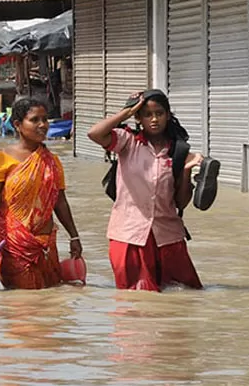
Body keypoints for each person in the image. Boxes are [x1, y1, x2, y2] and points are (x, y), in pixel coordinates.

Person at [87, 90, 204, 292]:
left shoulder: (178, 151)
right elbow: (94, 133)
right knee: (133, 300)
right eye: (147, 115)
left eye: (159, 113)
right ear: (138, 118)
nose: (154, 119)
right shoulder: (127, 142)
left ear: (168, 115)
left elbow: (181, 202)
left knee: (183, 294)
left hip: (168, 236)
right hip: (128, 235)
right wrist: (125, 111)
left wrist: (186, 171)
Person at [0, 98, 83, 290]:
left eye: (45, 119)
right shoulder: (1, 159)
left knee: (50, 305)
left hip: (47, 242)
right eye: (35, 120)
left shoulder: (52, 161)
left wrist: (74, 236)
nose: (43, 125)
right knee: (22, 307)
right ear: (17, 125)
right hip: (14, 244)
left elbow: (60, 202)